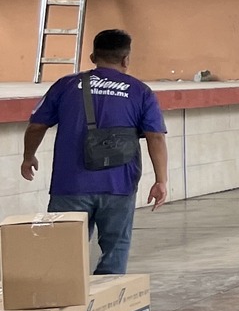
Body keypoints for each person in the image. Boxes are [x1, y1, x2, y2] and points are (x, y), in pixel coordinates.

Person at [20, 29, 168, 274]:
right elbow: (156, 137)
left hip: (70, 185)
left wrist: (28, 156)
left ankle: (66, 296)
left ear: (92, 57)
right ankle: (109, 296)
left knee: (64, 253)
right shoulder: (140, 91)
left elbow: (36, 126)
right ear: (126, 59)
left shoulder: (65, 85)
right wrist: (161, 180)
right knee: (115, 248)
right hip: (119, 185)